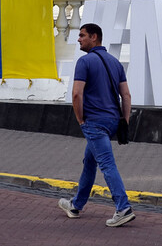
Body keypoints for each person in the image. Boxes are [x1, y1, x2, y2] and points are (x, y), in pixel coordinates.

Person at [58, 22, 135, 227]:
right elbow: (126, 95)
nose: (79, 39)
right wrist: (124, 122)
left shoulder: (85, 62)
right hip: (111, 121)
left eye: (82, 35)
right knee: (90, 162)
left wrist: (80, 118)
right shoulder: (115, 62)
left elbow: (76, 93)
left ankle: (123, 207)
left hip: (94, 122)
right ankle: (76, 205)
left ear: (94, 37)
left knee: (106, 164)